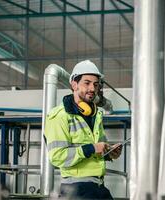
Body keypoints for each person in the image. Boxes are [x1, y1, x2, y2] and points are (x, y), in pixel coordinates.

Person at [45, 60, 122, 199]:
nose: (92, 88)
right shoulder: (59, 116)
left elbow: (98, 149)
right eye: (87, 83)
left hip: (98, 186)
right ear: (74, 84)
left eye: (96, 84)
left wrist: (110, 153)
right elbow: (56, 156)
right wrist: (91, 148)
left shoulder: (96, 115)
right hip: (75, 189)